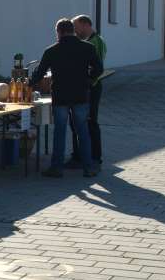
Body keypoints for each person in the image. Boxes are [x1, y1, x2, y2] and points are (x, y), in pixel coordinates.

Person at [30, 18, 103, 178]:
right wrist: (89, 80)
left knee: (60, 131)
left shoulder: (51, 50)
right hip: (81, 95)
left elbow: (40, 73)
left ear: (59, 32)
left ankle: (57, 168)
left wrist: (28, 84)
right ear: (73, 30)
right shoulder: (88, 47)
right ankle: (88, 167)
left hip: (61, 96)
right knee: (82, 131)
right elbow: (99, 68)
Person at [68, 15, 107, 167]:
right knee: (77, 123)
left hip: (91, 88)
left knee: (90, 122)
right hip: (84, 87)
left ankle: (95, 157)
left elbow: (96, 67)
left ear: (85, 25)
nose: (75, 32)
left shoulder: (95, 42)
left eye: (76, 28)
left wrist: (87, 81)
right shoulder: (87, 41)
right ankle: (80, 155)